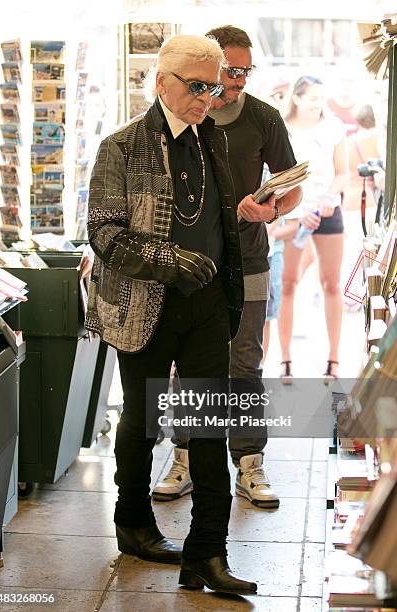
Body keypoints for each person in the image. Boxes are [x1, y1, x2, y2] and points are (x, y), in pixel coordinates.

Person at [86, 34, 256, 595]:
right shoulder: (122, 147)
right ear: (163, 83)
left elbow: (221, 220)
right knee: (142, 422)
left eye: (216, 84)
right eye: (198, 85)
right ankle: (133, 522)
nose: (210, 95)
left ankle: (207, 553)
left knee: (208, 427)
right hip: (144, 304)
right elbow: (105, 233)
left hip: (207, 305)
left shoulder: (214, 141)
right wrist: (173, 260)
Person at [153, 25, 301, 509]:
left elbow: (291, 184)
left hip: (249, 260)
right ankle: (187, 456)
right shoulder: (180, 115)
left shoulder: (264, 118)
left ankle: (250, 462)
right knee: (188, 368)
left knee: (244, 363)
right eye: (229, 71)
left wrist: (272, 210)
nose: (237, 80)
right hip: (190, 264)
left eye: (245, 71)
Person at [277, 76, 348, 382]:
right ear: (297, 98)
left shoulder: (334, 128)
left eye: (322, 98)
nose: (318, 104)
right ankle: (285, 360)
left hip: (328, 211)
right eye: (312, 98)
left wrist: (330, 200)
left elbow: (343, 172)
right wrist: (299, 211)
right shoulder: (283, 129)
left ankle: (333, 358)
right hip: (294, 213)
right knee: (288, 283)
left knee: (331, 283)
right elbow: (278, 176)